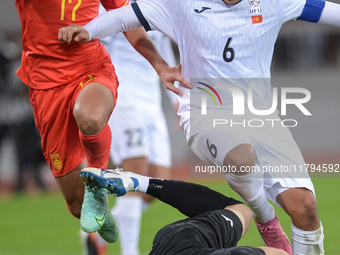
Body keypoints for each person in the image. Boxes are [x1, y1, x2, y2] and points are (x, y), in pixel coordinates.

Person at [58, 0, 340, 253]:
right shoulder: (182, 4)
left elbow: (325, 10)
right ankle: (266, 219)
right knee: (242, 158)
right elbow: (124, 17)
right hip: (204, 113)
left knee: (305, 207)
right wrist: (89, 29)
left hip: (260, 116)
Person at [14, 0, 190, 244]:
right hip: (47, 87)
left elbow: (127, 19)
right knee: (77, 205)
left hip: (92, 70)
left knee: (91, 116)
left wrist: (162, 68)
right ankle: (99, 219)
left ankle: (97, 187)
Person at [81, 5, 178, 254]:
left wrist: (178, 101)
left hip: (151, 103)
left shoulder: (159, 6)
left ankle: (96, 235)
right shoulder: (110, 5)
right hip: (123, 96)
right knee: (135, 171)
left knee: (157, 183)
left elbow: (164, 47)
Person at [80, 167, 289, 255]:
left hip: (182, 242)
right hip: (174, 242)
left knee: (241, 210)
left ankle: (138, 182)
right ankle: (138, 182)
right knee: (241, 209)